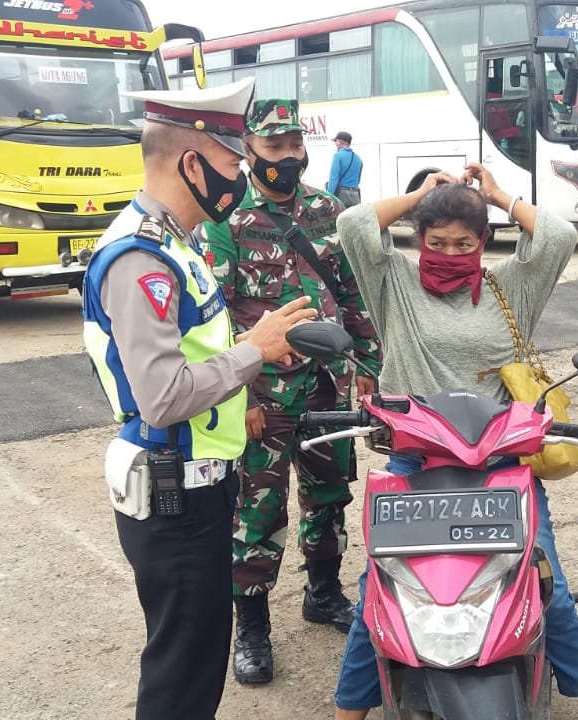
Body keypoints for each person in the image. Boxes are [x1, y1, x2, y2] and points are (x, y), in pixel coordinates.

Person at [331, 164, 578, 720]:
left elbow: (559, 235)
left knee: (545, 583)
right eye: (436, 242)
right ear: (418, 238)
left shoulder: (510, 284)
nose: (449, 253)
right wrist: (422, 194)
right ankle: (349, 712)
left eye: (463, 243)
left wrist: (497, 195)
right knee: (380, 590)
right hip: (416, 458)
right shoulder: (393, 280)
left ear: (483, 241)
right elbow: (352, 224)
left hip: (499, 461)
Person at [80, 77, 317, 720]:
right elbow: (161, 396)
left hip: (198, 483)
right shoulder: (141, 259)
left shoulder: (174, 243)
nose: (241, 177)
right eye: (232, 164)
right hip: (173, 491)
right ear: (192, 164)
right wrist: (254, 352)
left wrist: (251, 347)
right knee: (182, 675)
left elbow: (187, 354)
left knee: (198, 659)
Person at [196, 99, 382, 686]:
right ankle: (252, 629)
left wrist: (369, 361)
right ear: (250, 151)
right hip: (264, 393)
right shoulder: (225, 221)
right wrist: (241, 397)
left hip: (327, 384)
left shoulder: (329, 211)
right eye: (274, 147)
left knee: (328, 497)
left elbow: (352, 293)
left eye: (295, 145)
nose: (288, 156)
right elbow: (216, 318)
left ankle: (322, 594)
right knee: (259, 510)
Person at [327, 131, 363, 208]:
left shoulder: (337, 156)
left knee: (341, 216)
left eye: (335, 141)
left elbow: (333, 179)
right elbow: (358, 180)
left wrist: (328, 197)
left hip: (342, 195)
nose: (335, 143)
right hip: (355, 195)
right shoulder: (358, 158)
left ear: (339, 142)